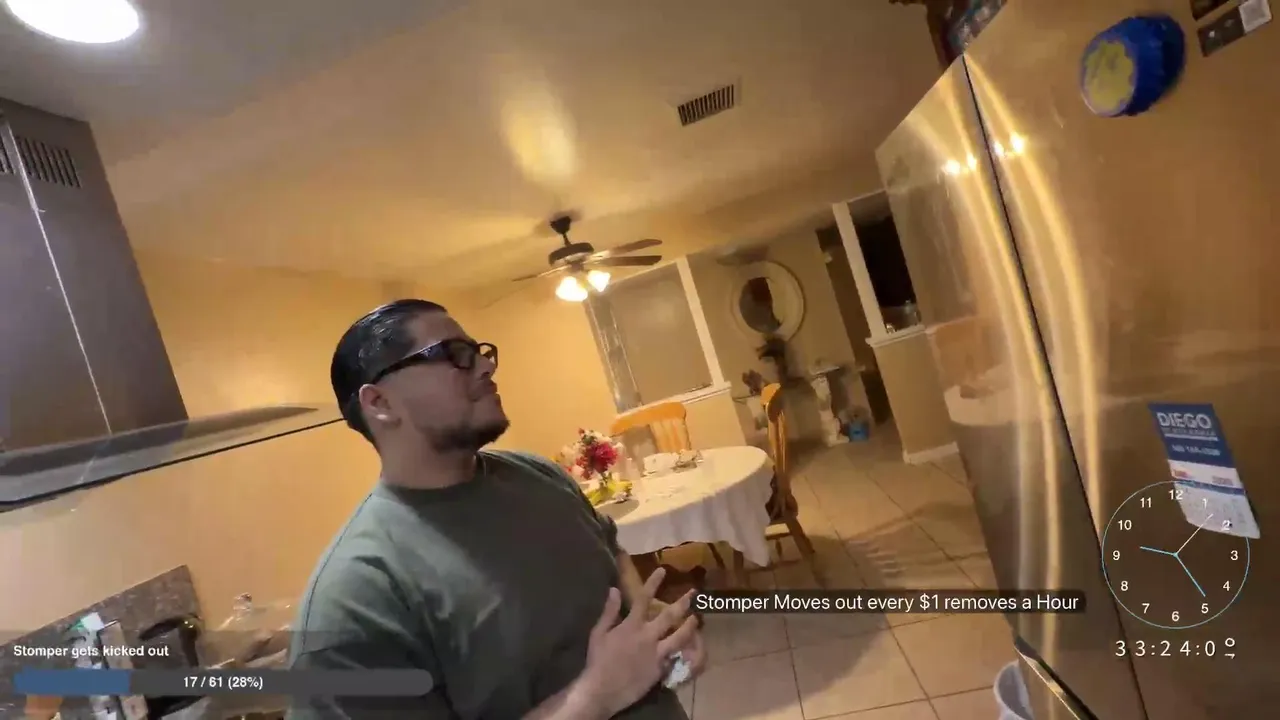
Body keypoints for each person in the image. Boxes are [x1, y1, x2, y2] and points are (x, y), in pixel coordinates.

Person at [286, 299, 706, 719]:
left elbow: (609, 548)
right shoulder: (357, 596)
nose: (486, 367)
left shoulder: (539, 473)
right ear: (380, 403)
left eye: (480, 352)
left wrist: (649, 621)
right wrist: (596, 694)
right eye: (454, 354)